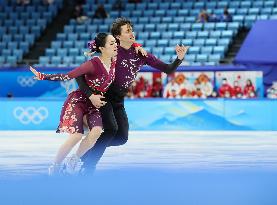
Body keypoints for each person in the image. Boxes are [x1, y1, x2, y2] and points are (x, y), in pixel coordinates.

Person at [76, 17, 189, 174]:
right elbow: (79, 73)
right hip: (103, 96)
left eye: (131, 29)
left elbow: (168, 69)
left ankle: (86, 154)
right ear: (118, 36)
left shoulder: (140, 53)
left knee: (122, 138)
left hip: (118, 100)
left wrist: (179, 59)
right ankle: (88, 166)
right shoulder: (112, 51)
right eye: (127, 30)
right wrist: (90, 95)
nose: (131, 33)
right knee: (111, 130)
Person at [29, 33, 118, 175]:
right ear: (102, 48)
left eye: (115, 42)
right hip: (79, 102)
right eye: (112, 43)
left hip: (94, 105)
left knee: (96, 132)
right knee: (77, 135)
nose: (116, 45)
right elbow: (69, 76)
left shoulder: (114, 61)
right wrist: (43, 76)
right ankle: (56, 166)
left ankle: (74, 160)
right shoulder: (92, 64)